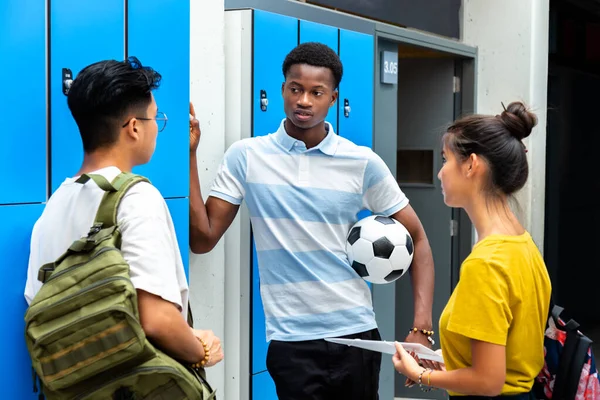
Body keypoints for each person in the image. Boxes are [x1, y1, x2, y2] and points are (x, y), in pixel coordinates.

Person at [188, 42, 435, 399]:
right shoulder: (246, 157)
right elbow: (203, 237)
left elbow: (419, 239)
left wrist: (421, 327)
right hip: (290, 341)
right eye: (296, 89)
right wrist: (191, 155)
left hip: (357, 335)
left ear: (333, 98)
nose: (304, 100)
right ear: (283, 90)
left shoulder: (361, 162)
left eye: (316, 92)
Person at [24, 57, 223, 375]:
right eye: (156, 118)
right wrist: (200, 350)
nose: (157, 128)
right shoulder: (138, 199)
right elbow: (156, 320)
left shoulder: (55, 205)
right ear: (133, 127)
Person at [392, 102, 552, 399]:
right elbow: (508, 352)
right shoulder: (523, 245)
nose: (440, 173)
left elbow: (489, 380)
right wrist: (449, 360)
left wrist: (420, 374)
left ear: (471, 165)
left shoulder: (486, 263)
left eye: (446, 160)